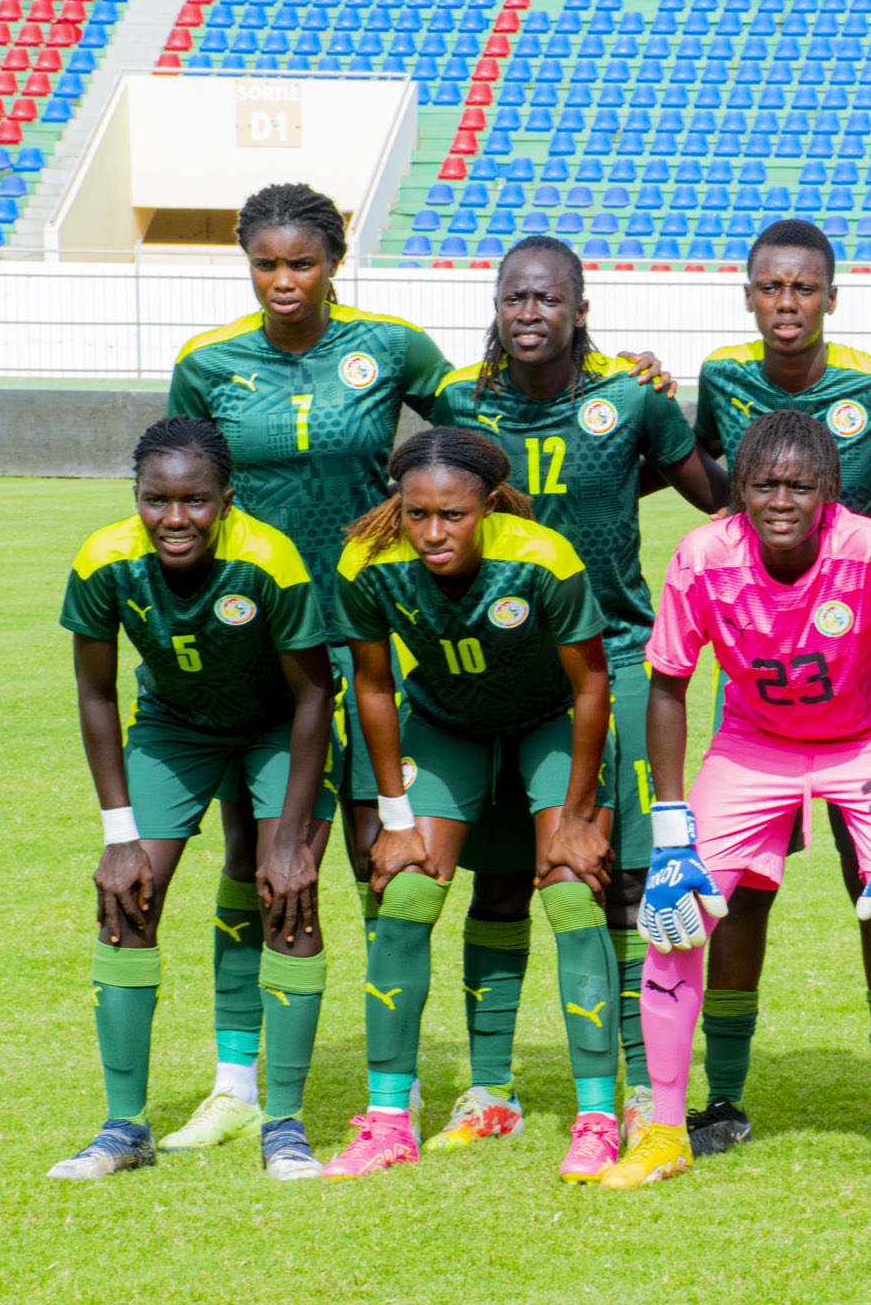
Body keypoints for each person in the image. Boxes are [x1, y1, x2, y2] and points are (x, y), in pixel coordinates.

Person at [164, 184, 673, 1144]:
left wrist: (615, 378)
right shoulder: (208, 364)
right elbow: (181, 478)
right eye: (266, 262)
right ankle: (242, 1084)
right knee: (257, 858)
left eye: (302, 262)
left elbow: (492, 417)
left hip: (408, 643)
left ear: (335, 261)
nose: (284, 280)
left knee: (404, 874)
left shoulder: (394, 350)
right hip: (274, 644)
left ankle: (508, 1091)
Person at [599, 410, 871, 1195]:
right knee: (676, 905)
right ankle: (666, 1128)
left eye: (799, 486)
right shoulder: (703, 557)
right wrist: (671, 825)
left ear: (829, 490)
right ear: (739, 487)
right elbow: (667, 686)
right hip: (754, 744)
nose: (780, 500)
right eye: (764, 484)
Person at [424, 236, 727, 1154]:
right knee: (505, 878)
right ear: (497, 304)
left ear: (579, 310)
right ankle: (489, 1090)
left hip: (617, 659)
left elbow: (715, 493)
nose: (529, 313)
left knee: (625, 883)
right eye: (515, 297)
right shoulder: (460, 405)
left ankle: (641, 1086)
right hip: (497, 674)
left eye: (548, 299)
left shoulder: (631, 398)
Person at [683, 219, 871, 1163]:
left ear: (832, 297)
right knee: (737, 896)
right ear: (749, 295)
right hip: (762, 670)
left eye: (804, 289)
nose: (787, 304)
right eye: (770, 288)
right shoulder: (720, 378)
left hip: (864, 670)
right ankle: (719, 1096)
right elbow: (712, 481)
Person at [324, 428, 616, 1181]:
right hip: (448, 725)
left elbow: (590, 686)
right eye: (416, 512)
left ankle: (597, 1117)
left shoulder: (542, 558)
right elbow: (375, 687)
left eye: (451, 515)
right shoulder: (368, 560)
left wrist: (579, 816)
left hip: (548, 724)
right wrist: (394, 817)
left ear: (487, 504)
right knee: (408, 892)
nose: (430, 532)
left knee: (572, 895)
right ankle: (391, 1118)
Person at [49, 417, 337, 1181]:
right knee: (127, 895)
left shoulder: (269, 560)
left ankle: (284, 1123)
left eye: (196, 501)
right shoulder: (105, 559)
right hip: (175, 728)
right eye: (157, 501)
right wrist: (118, 832)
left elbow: (315, 694)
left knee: (289, 897)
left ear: (228, 499)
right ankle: (123, 1128)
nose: (175, 519)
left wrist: (290, 842)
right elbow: (94, 692)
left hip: (278, 727)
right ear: (136, 498)